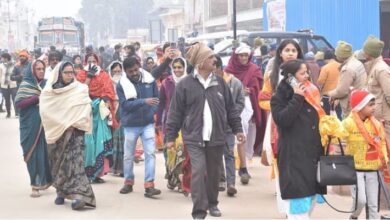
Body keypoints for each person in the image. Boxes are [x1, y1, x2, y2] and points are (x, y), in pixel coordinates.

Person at [165, 42, 245, 219]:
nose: (214, 59)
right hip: (194, 137)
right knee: (199, 171)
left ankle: (213, 203)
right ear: (200, 62)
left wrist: (238, 129)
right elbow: (175, 112)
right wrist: (170, 136)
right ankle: (199, 211)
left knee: (214, 173)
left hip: (216, 136)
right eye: (210, 57)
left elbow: (231, 109)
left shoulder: (220, 83)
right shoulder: (185, 84)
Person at [270, 59, 326, 219]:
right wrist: (297, 97)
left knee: (310, 203)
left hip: (313, 156)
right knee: (298, 208)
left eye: (307, 72)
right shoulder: (279, 98)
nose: (307, 76)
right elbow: (283, 120)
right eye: (302, 73)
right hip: (294, 158)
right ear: (290, 77)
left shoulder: (313, 94)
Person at [39, 61, 96, 210]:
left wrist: (73, 122)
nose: (70, 76)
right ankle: (61, 192)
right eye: (66, 73)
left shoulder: (79, 89)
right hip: (57, 134)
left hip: (75, 132)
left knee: (76, 164)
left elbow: (85, 107)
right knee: (59, 164)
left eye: (72, 73)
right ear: (59, 74)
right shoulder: (48, 93)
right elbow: (46, 112)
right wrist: (63, 123)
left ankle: (80, 196)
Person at [258, 39, 304, 214]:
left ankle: (297, 205)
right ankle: (286, 208)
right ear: (280, 53)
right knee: (280, 161)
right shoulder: (271, 75)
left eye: (294, 50)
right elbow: (263, 100)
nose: (291, 53)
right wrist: (280, 107)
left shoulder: (304, 73)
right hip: (279, 125)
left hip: (301, 124)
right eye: (287, 50)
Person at [116, 57, 161, 198]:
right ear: (125, 72)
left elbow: (156, 100)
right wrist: (143, 102)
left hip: (147, 123)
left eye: (136, 70)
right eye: (130, 72)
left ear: (139, 66)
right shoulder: (121, 85)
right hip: (130, 125)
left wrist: (152, 112)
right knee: (128, 156)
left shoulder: (150, 80)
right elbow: (125, 105)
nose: (134, 73)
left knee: (150, 154)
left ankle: (149, 185)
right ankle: (128, 182)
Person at [342, 89, 388, 219]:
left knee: (373, 205)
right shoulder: (348, 122)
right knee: (360, 200)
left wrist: (384, 158)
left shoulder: (376, 124)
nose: (374, 108)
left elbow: (382, 142)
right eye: (370, 105)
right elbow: (338, 136)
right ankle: (353, 216)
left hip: (373, 169)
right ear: (360, 106)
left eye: (374, 104)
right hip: (355, 169)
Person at [224, 44, 264, 184]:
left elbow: (259, 86)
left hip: (247, 105)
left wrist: (250, 90)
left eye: (246, 55)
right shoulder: (228, 70)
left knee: (244, 135)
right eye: (241, 55)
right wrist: (239, 90)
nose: (243, 58)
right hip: (231, 107)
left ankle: (243, 166)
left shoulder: (254, 69)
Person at [76, 52, 118, 183]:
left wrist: (103, 99)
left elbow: (109, 91)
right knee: (88, 143)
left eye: (94, 61)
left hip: (100, 111)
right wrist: (88, 77)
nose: (92, 63)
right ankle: (86, 173)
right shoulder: (81, 75)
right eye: (89, 61)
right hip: (85, 111)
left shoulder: (104, 75)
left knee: (100, 139)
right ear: (85, 62)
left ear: (98, 62)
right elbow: (78, 92)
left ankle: (98, 173)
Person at [14, 60, 52, 198]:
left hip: (46, 124)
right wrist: (37, 99)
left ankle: (44, 181)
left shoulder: (47, 84)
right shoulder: (26, 84)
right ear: (32, 70)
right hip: (29, 125)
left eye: (43, 68)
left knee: (44, 153)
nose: (41, 71)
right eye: (38, 69)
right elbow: (18, 103)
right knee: (31, 153)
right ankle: (34, 184)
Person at [156, 57, 189, 194]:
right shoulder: (166, 83)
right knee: (170, 152)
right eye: (174, 67)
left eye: (180, 67)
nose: (177, 70)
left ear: (185, 67)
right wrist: (158, 122)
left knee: (182, 152)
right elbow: (161, 103)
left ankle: (183, 181)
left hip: (187, 122)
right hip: (170, 122)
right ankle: (173, 178)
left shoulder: (190, 81)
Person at [214, 54, 245, 196]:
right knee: (215, 154)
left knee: (229, 154)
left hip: (228, 126)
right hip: (213, 126)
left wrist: (231, 118)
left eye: (214, 66)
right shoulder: (207, 83)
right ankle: (220, 180)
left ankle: (231, 183)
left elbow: (240, 103)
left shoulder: (235, 83)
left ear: (219, 67)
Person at [327, 41, 367, 119]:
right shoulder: (357, 63)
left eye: (337, 54)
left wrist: (330, 94)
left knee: (350, 128)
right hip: (361, 101)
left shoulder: (347, 69)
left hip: (351, 106)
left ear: (341, 56)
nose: (336, 56)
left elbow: (342, 91)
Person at [363, 35, 390, 142]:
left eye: (365, 50)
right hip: (376, 118)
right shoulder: (374, 67)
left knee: (387, 150)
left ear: (369, 53)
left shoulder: (381, 69)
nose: (363, 53)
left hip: (384, 120)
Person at [109, 61, 125, 177]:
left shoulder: (126, 82)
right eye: (115, 71)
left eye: (119, 71)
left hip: (123, 110)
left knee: (124, 140)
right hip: (111, 111)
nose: (117, 73)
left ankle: (123, 168)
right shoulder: (108, 83)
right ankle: (113, 166)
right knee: (113, 139)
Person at [317, 50, 342, 119]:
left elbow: (320, 82)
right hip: (339, 95)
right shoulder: (341, 66)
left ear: (325, 59)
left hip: (327, 96)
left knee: (327, 116)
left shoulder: (325, 68)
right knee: (338, 115)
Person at [0, 53, 18, 118]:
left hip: (13, 84)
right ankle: (8, 113)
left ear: (6, 58)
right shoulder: (1, 66)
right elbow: (0, 75)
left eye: (2, 58)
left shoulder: (14, 65)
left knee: (15, 99)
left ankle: (16, 113)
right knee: (7, 100)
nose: (1, 59)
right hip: (4, 85)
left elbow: (17, 73)